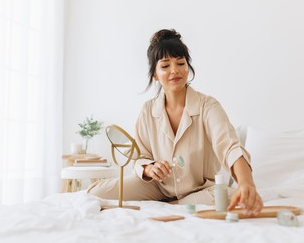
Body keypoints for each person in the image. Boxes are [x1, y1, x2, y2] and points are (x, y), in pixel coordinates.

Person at [88, 29, 263, 216]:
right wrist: (149, 168)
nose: (175, 70)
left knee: (231, 194)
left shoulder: (208, 106)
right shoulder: (147, 111)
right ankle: (174, 203)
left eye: (180, 63)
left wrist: (246, 183)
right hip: (157, 187)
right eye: (165, 66)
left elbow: (230, 147)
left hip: (201, 190)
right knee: (96, 192)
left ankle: (174, 204)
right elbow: (140, 157)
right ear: (154, 73)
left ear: (188, 67)